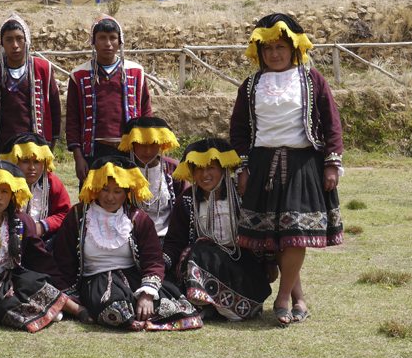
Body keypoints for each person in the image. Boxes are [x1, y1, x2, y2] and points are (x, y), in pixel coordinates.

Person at [230, 13, 343, 326]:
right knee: (275, 235)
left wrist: (332, 162)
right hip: (263, 165)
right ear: (259, 52)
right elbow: (239, 130)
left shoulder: (311, 79)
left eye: (280, 46)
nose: (274, 54)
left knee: (295, 235)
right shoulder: (251, 85)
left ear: (295, 47)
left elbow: (331, 122)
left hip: (302, 163)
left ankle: (282, 298)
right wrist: (243, 168)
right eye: (267, 49)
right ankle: (298, 297)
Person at [54, 155, 202, 330]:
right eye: (105, 189)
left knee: (171, 309)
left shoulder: (138, 218)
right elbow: (63, 257)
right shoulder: (78, 216)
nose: (110, 197)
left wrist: (147, 294)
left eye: (117, 191)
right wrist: (69, 291)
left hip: (133, 278)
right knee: (116, 311)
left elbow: (153, 260)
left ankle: (139, 311)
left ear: (127, 192)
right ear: (95, 188)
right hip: (96, 280)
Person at [0, 160, 83, 331]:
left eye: (4, 191)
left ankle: (71, 308)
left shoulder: (21, 221)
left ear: (14, 194)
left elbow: (40, 259)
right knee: (4, 306)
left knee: (33, 281)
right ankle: (49, 309)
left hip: (15, 282)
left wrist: (64, 289)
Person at [163, 139, 272, 322]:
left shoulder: (242, 196)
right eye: (198, 169)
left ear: (224, 169)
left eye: (211, 168)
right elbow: (175, 240)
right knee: (197, 251)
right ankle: (204, 304)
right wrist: (162, 264)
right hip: (202, 262)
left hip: (241, 265)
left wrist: (269, 262)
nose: (204, 174)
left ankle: (224, 306)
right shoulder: (187, 200)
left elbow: (261, 233)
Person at [66, 14, 152, 182]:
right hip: (93, 151)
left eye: (113, 38)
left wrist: (146, 149)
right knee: (93, 200)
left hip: (130, 150)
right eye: (101, 38)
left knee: (129, 200)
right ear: (93, 41)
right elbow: (72, 119)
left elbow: (146, 113)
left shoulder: (136, 72)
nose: (107, 43)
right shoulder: (79, 75)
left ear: (120, 42)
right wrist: (78, 158)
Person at [0, 13, 61, 161]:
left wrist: (51, 145)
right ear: (1, 43)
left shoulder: (42, 69)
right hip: (0, 149)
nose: (15, 45)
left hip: (35, 147)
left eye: (19, 39)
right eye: (8, 40)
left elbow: (54, 108)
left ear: (26, 40)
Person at [118, 116, 184, 246]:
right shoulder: (121, 170)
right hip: (130, 237)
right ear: (132, 143)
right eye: (142, 144)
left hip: (168, 238)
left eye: (153, 144)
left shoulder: (173, 169)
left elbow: (183, 208)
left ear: (161, 143)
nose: (147, 151)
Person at [0, 132, 70, 251]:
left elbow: (64, 214)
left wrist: (42, 226)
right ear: (14, 161)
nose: (32, 167)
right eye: (25, 161)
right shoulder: (4, 184)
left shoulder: (51, 182)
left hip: (45, 240)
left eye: (37, 162)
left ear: (44, 162)